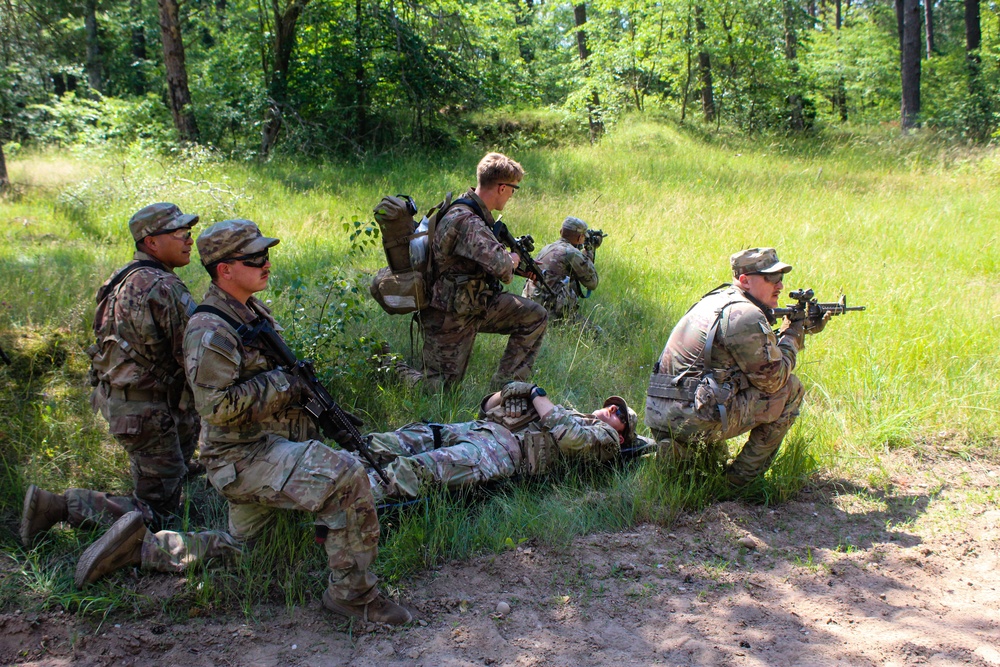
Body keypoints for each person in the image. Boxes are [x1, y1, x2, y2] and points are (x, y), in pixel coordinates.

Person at [179, 218, 409, 625]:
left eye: (266, 255)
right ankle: (354, 597)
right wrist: (285, 384)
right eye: (253, 258)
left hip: (266, 447)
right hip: (243, 457)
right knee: (346, 477)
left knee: (245, 552)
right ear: (224, 270)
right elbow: (215, 407)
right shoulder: (210, 328)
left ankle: (140, 546)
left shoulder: (249, 310)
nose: (265, 264)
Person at [22, 203, 205, 547]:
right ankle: (58, 507)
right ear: (151, 243)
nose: (188, 240)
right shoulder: (165, 287)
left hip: (124, 404)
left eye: (189, 232)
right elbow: (194, 357)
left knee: (170, 476)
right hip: (149, 413)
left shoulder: (120, 278)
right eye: (179, 234)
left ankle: (167, 472)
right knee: (159, 515)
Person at [644, 248, 828, 486]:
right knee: (790, 389)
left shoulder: (714, 300)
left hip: (660, 412)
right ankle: (737, 484)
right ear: (744, 280)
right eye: (771, 278)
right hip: (693, 417)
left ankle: (683, 457)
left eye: (781, 278)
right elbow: (774, 379)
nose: (780, 286)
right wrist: (792, 336)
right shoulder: (745, 314)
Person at [363, 383, 641, 503]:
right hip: (480, 429)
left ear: (621, 435)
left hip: (498, 452)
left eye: (620, 415)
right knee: (397, 440)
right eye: (612, 406)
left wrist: (534, 393)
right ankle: (343, 459)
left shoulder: (607, 441)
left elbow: (571, 440)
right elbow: (486, 407)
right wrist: (507, 392)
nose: (612, 410)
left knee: (419, 470)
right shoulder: (570, 414)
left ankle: (345, 488)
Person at [418, 152, 547, 389]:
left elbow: (477, 260)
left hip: (470, 303)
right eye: (513, 189)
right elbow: (501, 266)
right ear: (501, 187)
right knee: (439, 389)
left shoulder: (464, 208)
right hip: (449, 314)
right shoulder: (469, 222)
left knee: (534, 315)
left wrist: (518, 266)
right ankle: (389, 366)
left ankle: (507, 389)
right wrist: (514, 259)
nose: (512, 195)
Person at [522, 216, 599, 323]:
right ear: (580, 238)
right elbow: (592, 283)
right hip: (549, 313)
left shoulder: (548, 247)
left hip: (530, 305)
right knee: (598, 335)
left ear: (561, 231)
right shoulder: (572, 253)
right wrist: (590, 250)